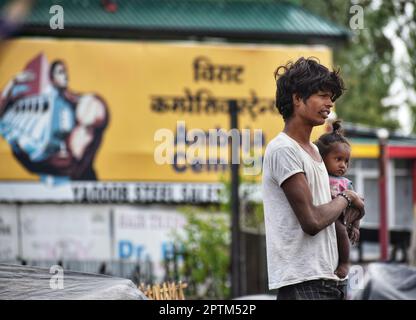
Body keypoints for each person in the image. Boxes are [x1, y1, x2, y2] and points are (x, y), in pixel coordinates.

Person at [262, 57, 365, 300]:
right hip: (303, 283)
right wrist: (347, 198)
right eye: (322, 95)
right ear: (298, 99)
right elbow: (312, 221)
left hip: (328, 279)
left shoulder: (316, 153)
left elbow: (328, 212)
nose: (329, 103)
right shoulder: (284, 149)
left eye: (331, 97)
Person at [314, 120, 361, 279]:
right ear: (322, 157)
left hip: (339, 219)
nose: (343, 165)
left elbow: (356, 208)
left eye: (346, 161)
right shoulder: (319, 177)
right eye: (338, 159)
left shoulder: (345, 183)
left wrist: (355, 227)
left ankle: (344, 262)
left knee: (340, 230)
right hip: (320, 216)